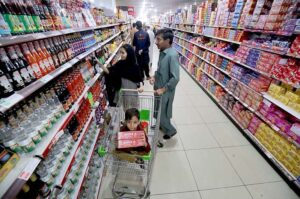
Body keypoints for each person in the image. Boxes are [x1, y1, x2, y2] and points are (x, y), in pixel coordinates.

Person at [150, 28, 180, 145]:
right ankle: (160, 125)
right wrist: (154, 77)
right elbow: (160, 70)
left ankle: (170, 130)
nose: (156, 42)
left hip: (165, 91)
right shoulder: (162, 53)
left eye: (159, 39)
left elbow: (175, 78)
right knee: (158, 109)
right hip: (158, 89)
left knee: (163, 113)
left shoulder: (172, 56)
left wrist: (163, 89)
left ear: (168, 40)